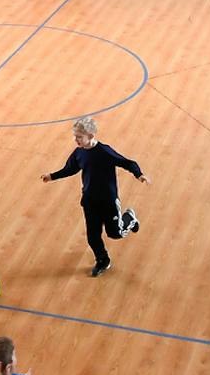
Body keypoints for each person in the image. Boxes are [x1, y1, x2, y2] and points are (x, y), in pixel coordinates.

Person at [42, 115, 148, 277]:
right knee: (92, 236)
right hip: (89, 201)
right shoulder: (79, 153)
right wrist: (52, 176)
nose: (75, 139)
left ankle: (130, 218)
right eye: (74, 136)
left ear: (91, 136)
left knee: (115, 233)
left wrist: (139, 175)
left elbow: (127, 163)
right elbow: (70, 169)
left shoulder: (105, 152)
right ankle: (102, 260)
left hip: (108, 201)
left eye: (79, 137)